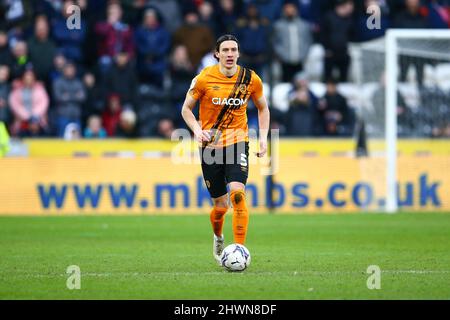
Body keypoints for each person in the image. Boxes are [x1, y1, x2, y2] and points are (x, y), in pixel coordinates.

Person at [180, 34, 270, 264]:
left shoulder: (250, 79)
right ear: (217, 54)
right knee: (220, 206)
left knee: (238, 195)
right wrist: (197, 130)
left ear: (238, 53)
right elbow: (186, 110)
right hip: (210, 146)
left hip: (238, 141)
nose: (230, 54)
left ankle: (239, 248)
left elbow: (263, 108)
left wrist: (262, 138)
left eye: (233, 50)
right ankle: (219, 236)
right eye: (225, 50)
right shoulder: (203, 79)